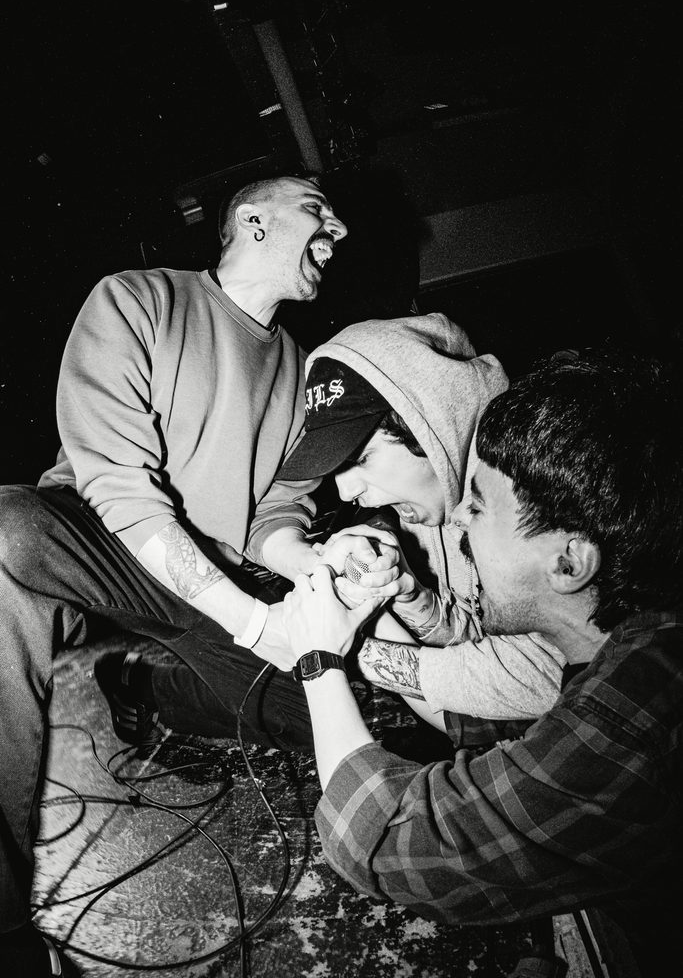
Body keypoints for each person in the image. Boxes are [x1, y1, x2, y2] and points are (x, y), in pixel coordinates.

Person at [0, 174, 347, 973]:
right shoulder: (139, 299)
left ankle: (141, 685)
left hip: (205, 580)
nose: (338, 230)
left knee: (318, 716)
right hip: (95, 543)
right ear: (252, 222)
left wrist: (311, 562)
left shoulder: (304, 373)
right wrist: (253, 620)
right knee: (6, 533)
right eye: (316, 210)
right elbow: (118, 483)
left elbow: (276, 510)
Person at [281, 346, 683, 977]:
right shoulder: (631, 643)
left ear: (569, 563)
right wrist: (401, 599)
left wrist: (319, 661)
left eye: (480, 505)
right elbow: (490, 725)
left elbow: (380, 841)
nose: (461, 521)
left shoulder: (631, 720)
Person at [276, 313, 567, 724]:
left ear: (431, 422)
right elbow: (481, 635)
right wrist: (411, 597)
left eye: (361, 459)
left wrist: (329, 653)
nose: (345, 492)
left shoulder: (538, 489)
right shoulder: (429, 503)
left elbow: (557, 676)